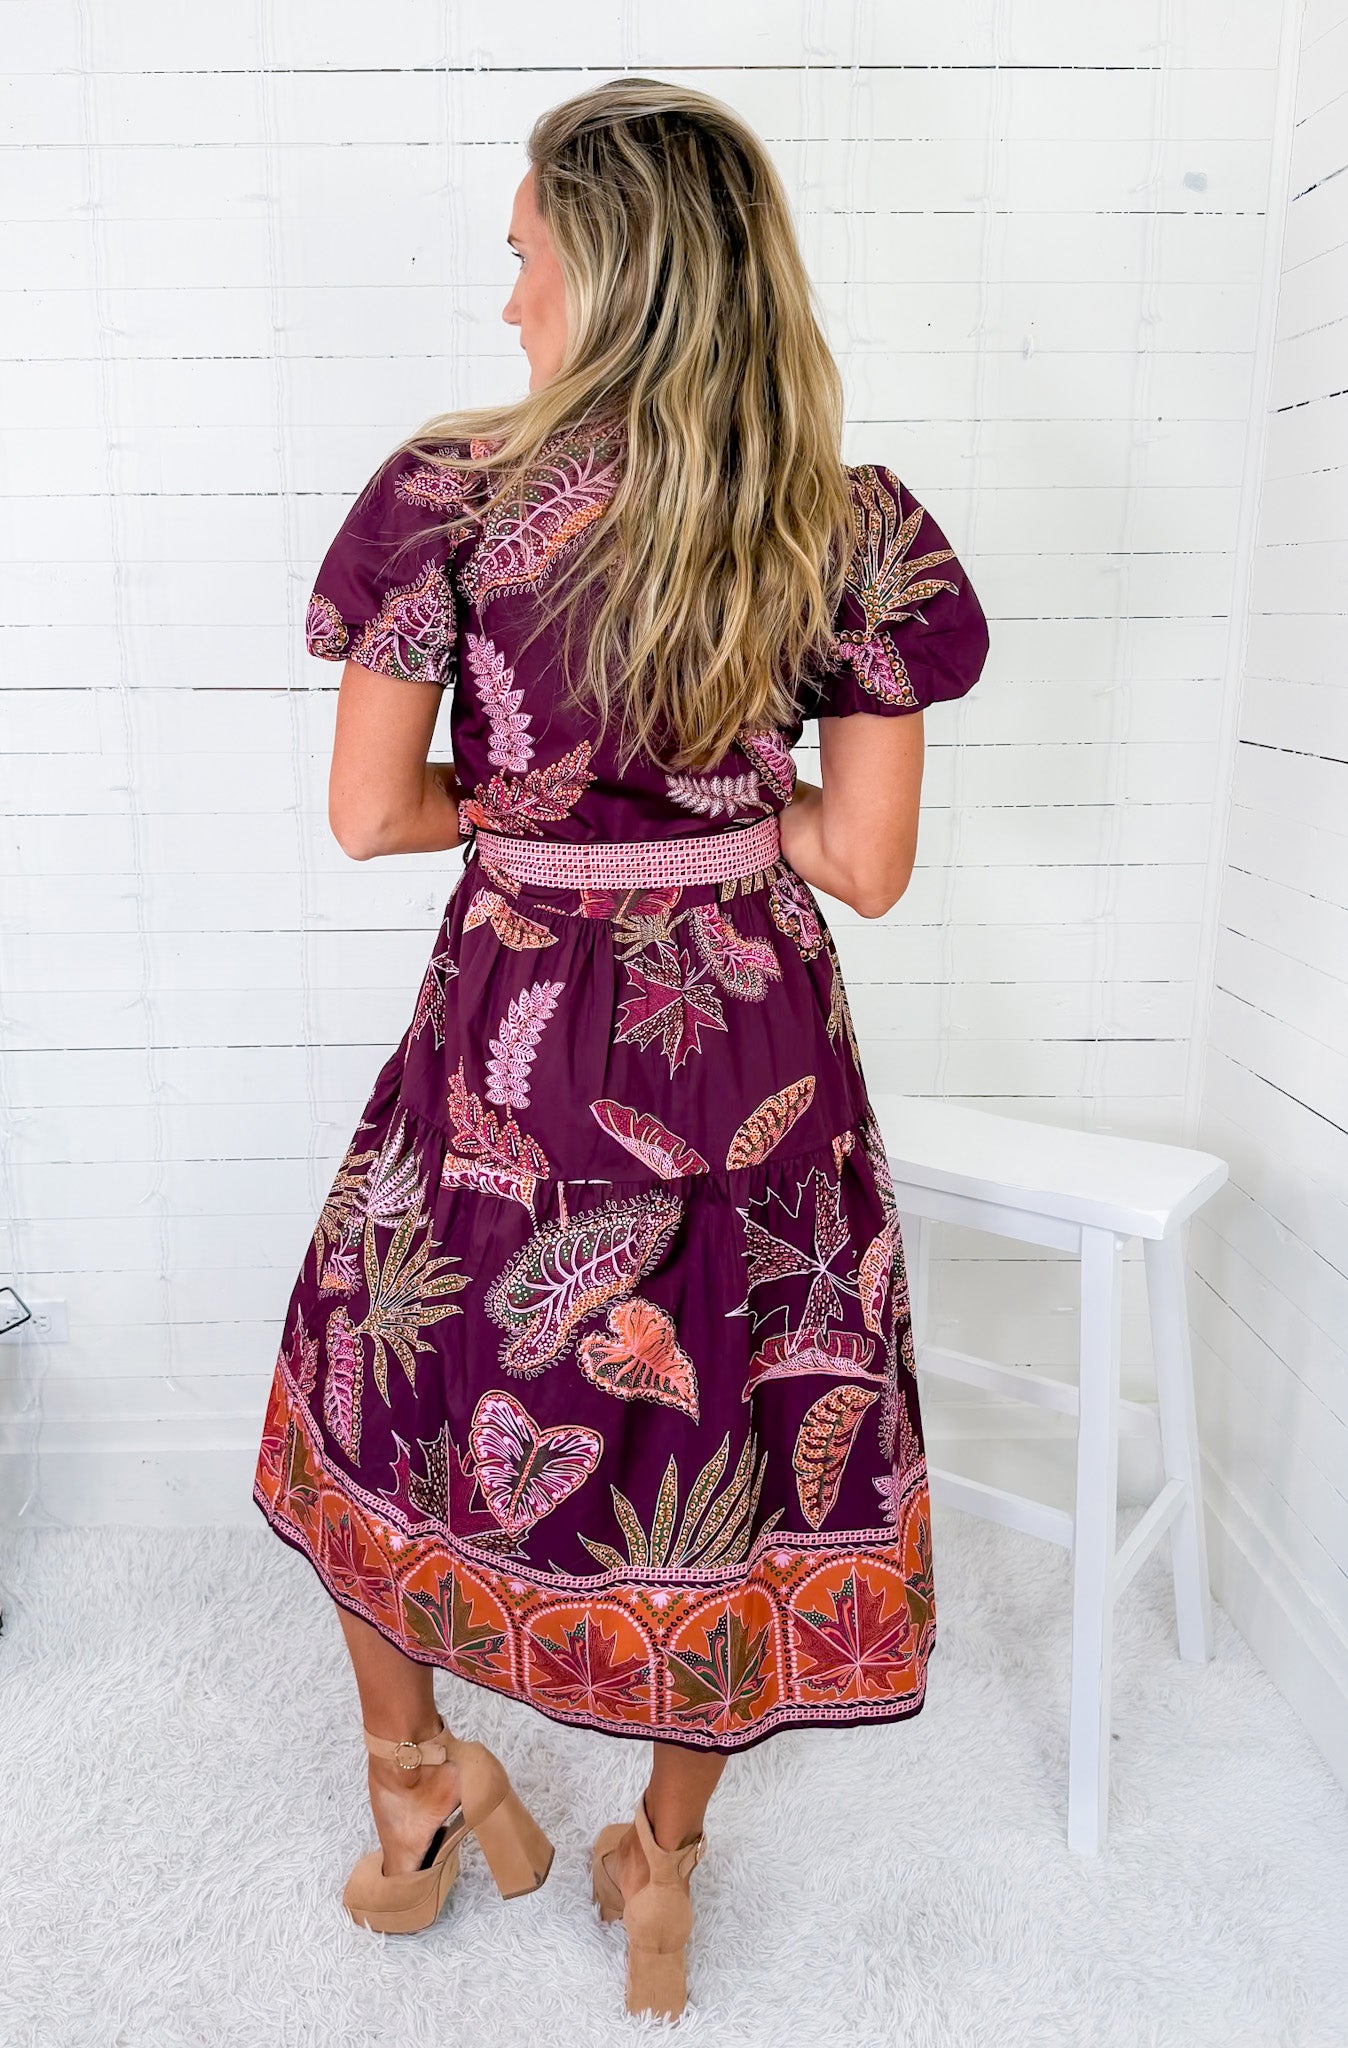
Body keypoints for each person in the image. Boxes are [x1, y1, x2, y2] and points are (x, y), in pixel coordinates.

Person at [252, 75, 989, 2022]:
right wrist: (702, 837)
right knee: (725, 1428)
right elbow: (866, 863)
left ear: (611, 269)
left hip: (514, 1043)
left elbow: (365, 812)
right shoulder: (848, 526)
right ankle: (663, 1862)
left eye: (524, 256)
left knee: (381, 1372)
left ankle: (415, 1789)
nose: (505, 304)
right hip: (752, 1048)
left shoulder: (448, 496)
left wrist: (523, 816)